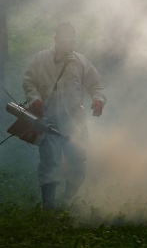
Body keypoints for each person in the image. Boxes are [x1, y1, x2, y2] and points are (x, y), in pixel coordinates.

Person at [22, 22, 106, 210]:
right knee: (49, 161)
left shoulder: (81, 62)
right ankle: (49, 207)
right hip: (47, 120)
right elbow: (29, 82)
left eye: (72, 39)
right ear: (56, 39)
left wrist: (98, 100)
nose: (69, 43)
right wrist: (34, 100)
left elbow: (97, 85)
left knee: (77, 160)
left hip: (74, 121)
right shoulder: (41, 59)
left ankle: (69, 202)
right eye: (65, 39)